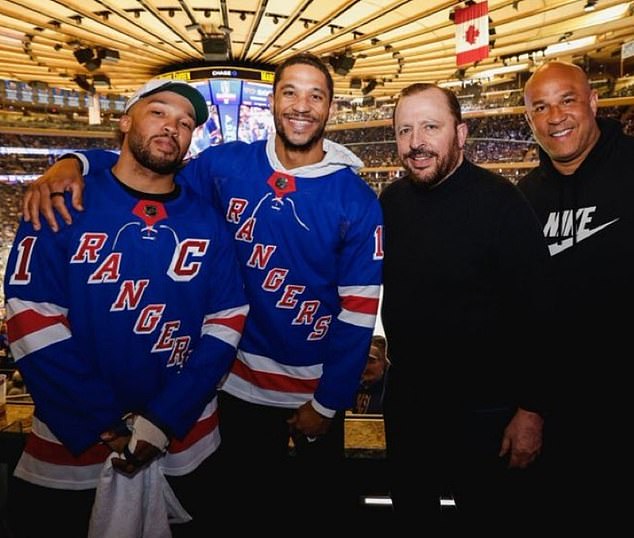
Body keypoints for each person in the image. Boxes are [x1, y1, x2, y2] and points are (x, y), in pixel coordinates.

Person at [22, 53, 383, 521]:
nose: (302, 105)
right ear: (272, 101)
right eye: (290, 91)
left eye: (316, 95)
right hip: (233, 388)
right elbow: (148, 170)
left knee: (317, 515)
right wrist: (76, 161)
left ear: (330, 108)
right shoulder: (224, 165)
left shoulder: (354, 198)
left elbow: (357, 312)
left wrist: (330, 401)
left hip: (310, 392)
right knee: (238, 514)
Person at [4, 79, 248, 538]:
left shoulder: (209, 220)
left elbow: (227, 320)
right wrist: (103, 420)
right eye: (158, 113)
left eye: (185, 123)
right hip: (71, 448)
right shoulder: (62, 201)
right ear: (125, 120)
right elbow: (30, 317)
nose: (172, 127)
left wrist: (163, 419)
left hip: (188, 442)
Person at [379, 83, 550, 532]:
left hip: (485, 412)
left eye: (430, 127)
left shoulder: (504, 205)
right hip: (411, 405)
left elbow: (539, 315)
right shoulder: (390, 203)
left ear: (460, 134)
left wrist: (531, 411)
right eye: (405, 130)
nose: (416, 142)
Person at [519, 61, 634, 526]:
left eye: (567, 100)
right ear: (529, 120)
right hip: (556, 422)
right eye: (540, 107)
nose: (555, 117)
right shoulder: (525, 198)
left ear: (592, 102)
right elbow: (520, 314)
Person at [352, 335, 389, 414]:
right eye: (361, 360)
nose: (365, 367)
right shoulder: (349, 389)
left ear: (385, 363)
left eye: (371, 361)